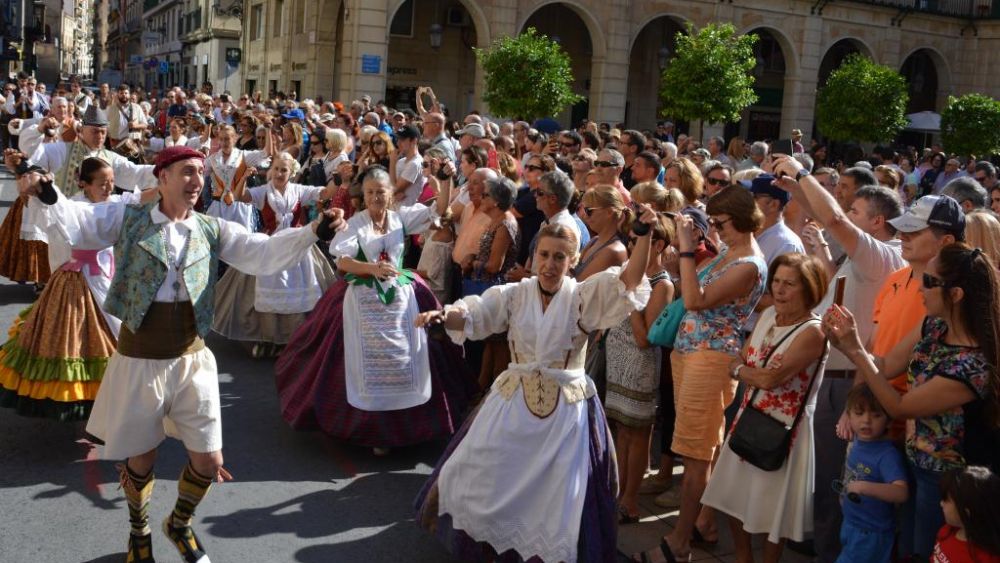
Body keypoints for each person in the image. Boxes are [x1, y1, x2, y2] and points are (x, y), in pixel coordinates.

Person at [14, 145, 345, 563]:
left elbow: (260, 252)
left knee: (209, 460)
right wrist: (46, 192)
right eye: (187, 172)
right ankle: (139, 532)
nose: (196, 181)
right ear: (162, 177)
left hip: (192, 357)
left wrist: (314, 231)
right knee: (142, 455)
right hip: (140, 358)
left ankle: (180, 523)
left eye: (200, 173)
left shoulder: (210, 228)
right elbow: (80, 224)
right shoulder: (127, 217)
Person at [414, 210, 656, 563]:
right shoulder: (514, 294)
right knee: (485, 469)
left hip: (567, 413)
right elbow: (476, 314)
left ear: (572, 261)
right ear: (534, 257)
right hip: (513, 401)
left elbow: (631, 279)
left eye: (560, 257)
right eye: (544, 255)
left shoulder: (583, 297)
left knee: (562, 493)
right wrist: (442, 316)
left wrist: (644, 233)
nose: (550, 263)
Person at [275, 166, 471, 456]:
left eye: (381, 191)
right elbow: (342, 262)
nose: (376, 197)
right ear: (363, 196)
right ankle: (371, 428)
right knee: (353, 357)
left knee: (410, 355)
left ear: (390, 194)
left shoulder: (400, 217)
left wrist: (444, 180)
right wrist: (372, 268)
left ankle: (405, 426)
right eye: (370, 192)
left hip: (401, 294)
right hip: (362, 294)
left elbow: (439, 214)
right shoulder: (355, 223)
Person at [823, 243, 1000, 561]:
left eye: (930, 281)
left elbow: (900, 407)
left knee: (923, 552)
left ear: (956, 294)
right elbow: (887, 366)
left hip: (947, 479)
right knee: (905, 549)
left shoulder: (972, 364)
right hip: (912, 459)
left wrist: (855, 351)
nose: (920, 286)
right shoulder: (933, 326)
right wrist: (846, 342)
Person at [771, 155, 905, 563]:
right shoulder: (869, 254)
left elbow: (834, 221)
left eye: (857, 210)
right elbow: (829, 217)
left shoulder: (881, 254)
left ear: (877, 221)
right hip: (834, 375)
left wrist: (802, 173)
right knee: (824, 470)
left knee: (834, 475)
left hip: (849, 380)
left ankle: (830, 552)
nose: (848, 213)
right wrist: (795, 190)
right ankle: (824, 542)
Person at [636, 186, 768, 562]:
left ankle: (680, 543)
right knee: (698, 450)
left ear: (742, 219)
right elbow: (687, 278)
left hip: (710, 361)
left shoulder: (749, 264)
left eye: (722, 223)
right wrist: (671, 230)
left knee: (697, 454)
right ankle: (703, 524)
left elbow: (695, 299)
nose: (718, 229)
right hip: (692, 355)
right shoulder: (730, 252)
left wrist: (691, 251)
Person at [701, 253, 829, 563]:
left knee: (774, 512)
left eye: (790, 284)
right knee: (732, 497)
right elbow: (745, 359)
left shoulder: (813, 332)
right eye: (776, 282)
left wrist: (743, 371)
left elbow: (769, 378)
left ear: (810, 289)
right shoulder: (770, 314)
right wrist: (747, 371)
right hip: (749, 416)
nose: (780, 290)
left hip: (784, 430)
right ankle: (743, 558)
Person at [0, 158, 151, 420]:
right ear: (84, 184)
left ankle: (112, 405)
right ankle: (83, 402)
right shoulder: (75, 207)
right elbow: (57, 207)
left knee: (117, 336)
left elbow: (139, 199)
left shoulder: (114, 203)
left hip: (108, 278)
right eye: (103, 184)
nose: (108, 188)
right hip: (78, 282)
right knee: (76, 340)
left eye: (112, 183)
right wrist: (39, 181)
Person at [212, 152, 337, 356]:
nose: (279, 173)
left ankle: (296, 337)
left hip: (297, 245)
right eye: (276, 169)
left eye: (284, 170)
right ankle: (267, 338)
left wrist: (338, 179)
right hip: (269, 247)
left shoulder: (298, 190)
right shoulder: (264, 191)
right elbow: (241, 197)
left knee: (301, 289)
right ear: (271, 171)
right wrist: (243, 178)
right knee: (257, 289)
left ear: (291, 172)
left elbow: (324, 194)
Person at [606, 215, 674, 523]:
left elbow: (646, 339)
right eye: (631, 240)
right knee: (622, 430)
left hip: (639, 364)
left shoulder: (662, 284)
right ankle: (618, 492)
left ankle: (630, 500)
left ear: (657, 244)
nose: (631, 246)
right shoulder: (631, 274)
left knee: (637, 433)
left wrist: (629, 300)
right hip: (618, 361)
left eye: (637, 241)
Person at [834, 384, 909, 563]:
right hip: (851, 523)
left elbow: (901, 492)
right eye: (859, 414)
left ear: (889, 420)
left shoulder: (887, 455)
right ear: (848, 416)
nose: (866, 421)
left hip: (871, 533)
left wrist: (864, 487)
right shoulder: (858, 442)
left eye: (876, 415)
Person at [465, 176, 521, 388]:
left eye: (486, 195)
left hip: (499, 293)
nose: (481, 197)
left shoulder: (505, 224)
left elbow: (494, 266)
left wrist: (471, 263)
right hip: (491, 290)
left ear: (496, 201)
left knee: (499, 347)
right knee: (491, 342)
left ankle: (497, 394)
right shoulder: (496, 221)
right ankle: (482, 388)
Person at [204, 124, 274, 231]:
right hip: (218, 206)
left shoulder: (244, 155)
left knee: (241, 241)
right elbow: (200, 172)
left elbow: (266, 153)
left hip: (239, 207)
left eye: (227, 139)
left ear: (234, 138)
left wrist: (268, 129)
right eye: (221, 139)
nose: (224, 143)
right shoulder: (212, 159)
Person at [934, 466, 1000, 563]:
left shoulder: (987, 558)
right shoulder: (946, 531)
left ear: (967, 512)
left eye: (946, 500)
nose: (941, 503)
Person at [573, 185, 629, 280]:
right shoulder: (594, 241)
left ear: (609, 212)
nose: (584, 216)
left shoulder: (613, 251)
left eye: (589, 211)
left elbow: (578, 285)